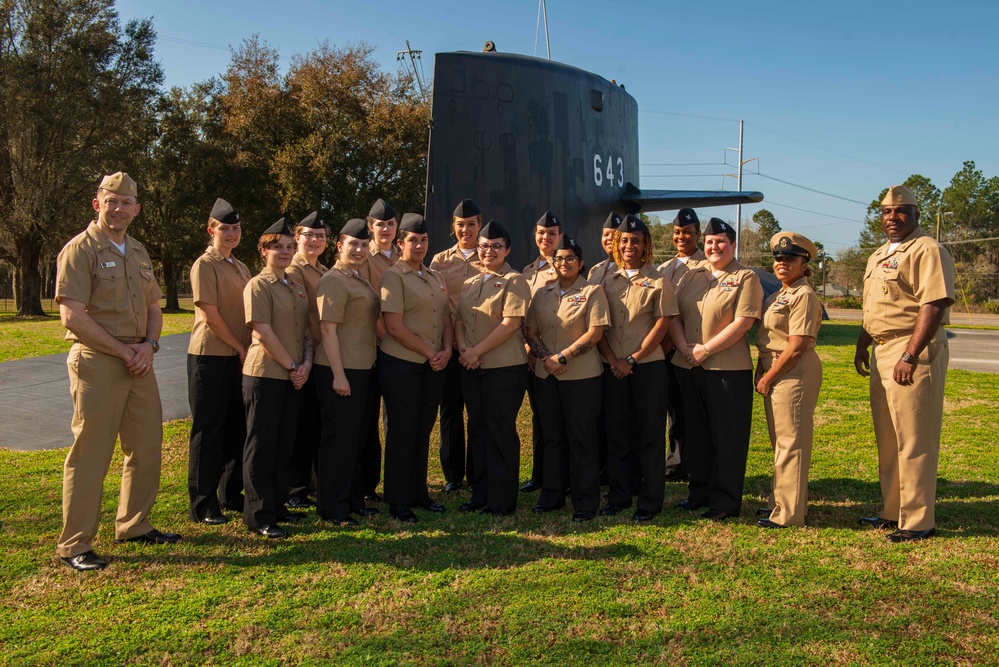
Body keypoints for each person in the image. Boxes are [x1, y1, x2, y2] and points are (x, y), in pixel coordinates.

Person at [55, 172, 180, 572]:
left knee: (145, 448)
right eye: (112, 201)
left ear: (136, 209)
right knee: (91, 454)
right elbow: (71, 314)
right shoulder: (80, 249)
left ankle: (134, 524)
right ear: (98, 204)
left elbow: (154, 308)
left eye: (127, 203)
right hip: (97, 360)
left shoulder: (139, 251)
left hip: (139, 361)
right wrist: (123, 350)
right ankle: (74, 544)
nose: (119, 208)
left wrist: (149, 346)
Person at [854, 185, 955, 543]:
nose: (892, 218)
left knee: (915, 438)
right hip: (882, 350)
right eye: (886, 212)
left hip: (912, 350)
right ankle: (892, 510)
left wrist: (910, 355)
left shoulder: (927, 249)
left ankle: (917, 520)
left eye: (901, 212)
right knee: (889, 437)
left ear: (916, 215)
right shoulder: (879, 254)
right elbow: (875, 308)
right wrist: (863, 344)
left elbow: (934, 303)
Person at [668, 217, 763, 521]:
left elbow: (743, 322)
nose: (714, 246)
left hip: (726, 369)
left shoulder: (746, 277)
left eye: (720, 241)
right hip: (688, 364)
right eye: (709, 242)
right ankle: (698, 494)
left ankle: (725, 501)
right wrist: (685, 348)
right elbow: (673, 315)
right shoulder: (690, 275)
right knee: (696, 434)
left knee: (727, 437)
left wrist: (705, 350)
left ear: (733, 245)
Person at [526, 234, 610, 521]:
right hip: (545, 375)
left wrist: (562, 357)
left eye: (570, 258)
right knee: (552, 438)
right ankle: (552, 494)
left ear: (581, 262)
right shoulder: (542, 293)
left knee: (582, 439)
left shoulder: (593, 291)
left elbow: (595, 333)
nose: (564, 263)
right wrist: (546, 358)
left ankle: (585, 501)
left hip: (581, 377)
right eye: (559, 258)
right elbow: (531, 332)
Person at [596, 214, 672, 521]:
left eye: (636, 241)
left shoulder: (659, 281)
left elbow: (662, 324)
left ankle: (650, 500)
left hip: (647, 367)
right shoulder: (603, 280)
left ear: (645, 246)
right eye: (624, 240)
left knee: (650, 435)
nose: (629, 245)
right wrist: (615, 360)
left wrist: (633, 359)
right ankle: (619, 495)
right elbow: (598, 326)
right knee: (616, 433)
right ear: (616, 244)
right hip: (612, 367)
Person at [379, 213, 452, 523]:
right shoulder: (393, 277)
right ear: (400, 243)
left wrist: (447, 350)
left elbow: (447, 317)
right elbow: (393, 326)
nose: (420, 245)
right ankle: (397, 499)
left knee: (423, 430)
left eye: (423, 240)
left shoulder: (435, 275)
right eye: (413, 240)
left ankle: (418, 493)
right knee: (402, 431)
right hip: (402, 364)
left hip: (433, 364)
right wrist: (430, 351)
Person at [241, 219, 313, 539]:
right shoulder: (259, 285)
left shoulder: (296, 286)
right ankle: (259, 514)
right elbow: (262, 332)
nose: (284, 252)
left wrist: (305, 365)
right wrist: (293, 366)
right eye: (276, 247)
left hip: (293, 375)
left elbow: (307, 331)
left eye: (288, 247)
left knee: (284, 444)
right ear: (263, 251)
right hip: (266, 375)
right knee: (262, 447)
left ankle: (279, 505)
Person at [454, 220, 530, 515]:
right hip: (473, 366)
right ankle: (480, 494)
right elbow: (459, 320)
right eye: (484, 246)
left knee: (500, 431)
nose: (488, 251)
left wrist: (475, 351)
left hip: (503, 368)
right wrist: (464, 350)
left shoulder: (515, 280)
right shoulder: (472, 282)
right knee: (479, 429)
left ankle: (501, 501)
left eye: (496, 246)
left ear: (507, 249)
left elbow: (510, 324)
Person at [187, 198, 251, 525]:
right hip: (210, 356)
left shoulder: (240, 267)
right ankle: (203, 501)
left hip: (238, 357)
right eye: (224, 228)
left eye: (236, 228)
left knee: (234, 428)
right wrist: (240, 347)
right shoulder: (205, 265)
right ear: (211, 230)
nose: (231, 233)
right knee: (208, 430)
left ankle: (230, 492)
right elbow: (210, 316)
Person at [313, 218, 381, 526]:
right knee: (338, 442)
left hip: (362, 368)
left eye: (365, 245)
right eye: (353, 244)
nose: (359, 249)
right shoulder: (334, 280)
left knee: (354, 440)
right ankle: (332, 507)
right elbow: (328, 330)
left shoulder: (358, 278)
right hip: (339, 370)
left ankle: (352, 500)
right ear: (339, 246)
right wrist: (339, 375)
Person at [754, 232, 823, 528]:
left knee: (791, 443)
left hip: (792, 371)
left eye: (790, 258)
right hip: (778, 370)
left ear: (804, 264)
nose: (782, 263)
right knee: (781, 441)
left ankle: (789, 514)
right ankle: (780, 503)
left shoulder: (804, 295)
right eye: (778, 258)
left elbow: (796, 345)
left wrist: (768, 376)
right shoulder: (780, 293)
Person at [429, 199, 483, 494]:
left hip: (478, 346)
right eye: (460, 225)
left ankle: (476, 473)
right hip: (449, 346)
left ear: (479, 225)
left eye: (471, 224)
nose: (466, 229)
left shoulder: (487, 257)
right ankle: (452, 474)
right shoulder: (439, 261)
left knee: (476, 412)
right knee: (450, 411)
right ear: (454, 227)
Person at [657, 208, 707, 483]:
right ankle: (674, 461)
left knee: (687, 410)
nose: (682, 237)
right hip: (661, 349)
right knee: (670, 408)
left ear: (698, 234)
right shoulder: (664, 268)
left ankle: (684, 462)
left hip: (687, 349)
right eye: (677, 232)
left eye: (687, 232)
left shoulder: (707, 265)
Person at [284, 211, 330, 509]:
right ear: (297, 238)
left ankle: (312, 482)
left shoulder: (323, 269)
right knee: (299, 425)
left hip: (323, 354)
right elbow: (299, 315)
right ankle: (295, 489)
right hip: (302, 354)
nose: (315, 240)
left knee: (315, 421)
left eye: (321, 236)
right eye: (309, 235)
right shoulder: (293, 269)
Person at [358, 198, 399, 503]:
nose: (385, 229)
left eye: (390, 224)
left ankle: (396, 480)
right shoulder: (362, 258)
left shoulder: (406, 255)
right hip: (374, 348)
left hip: (403, 351)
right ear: (369, 226)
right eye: (379, 224)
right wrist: (389, 341)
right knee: (368, 422)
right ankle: (367, 484)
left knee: (396, 420)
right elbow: (368, 311)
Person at [519, 210, 561, 493]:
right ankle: (539, 474)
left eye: (551, 233)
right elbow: (523, 314)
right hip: (531, 352)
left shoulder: (565, 265)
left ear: (560, 236)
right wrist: (527, 345)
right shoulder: (527, 271)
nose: (546, 238)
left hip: (557, 354)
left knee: (559, 419)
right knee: (539, 417)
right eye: (541, 233)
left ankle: (560, 475)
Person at [586, 212, 623, 286]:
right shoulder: (594, 270)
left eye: (615, 234)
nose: (609, 238)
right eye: (606, 235)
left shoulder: (629, 268)